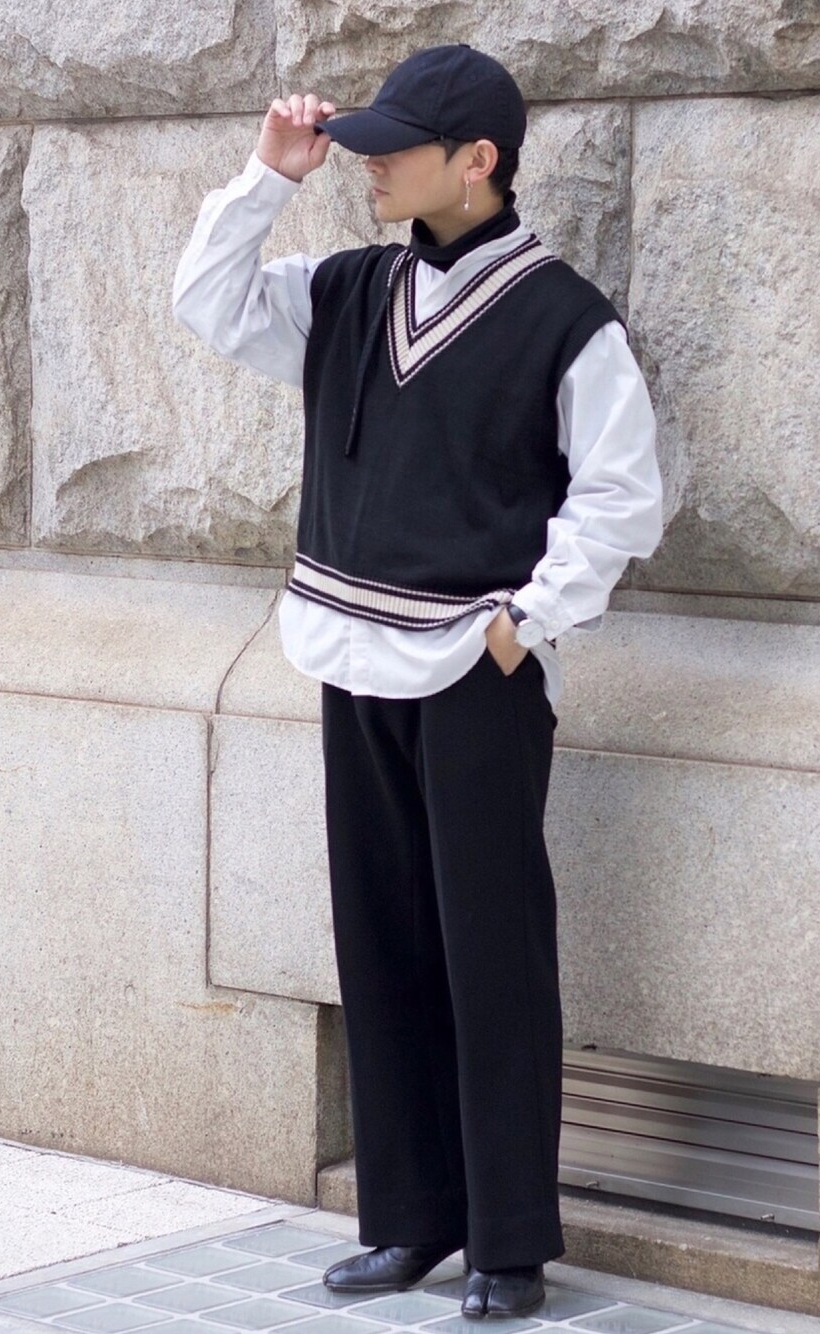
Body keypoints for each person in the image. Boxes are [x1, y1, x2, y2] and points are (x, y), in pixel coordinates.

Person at [172, 42, 663, 1321]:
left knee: (492, 952)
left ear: (478, 160)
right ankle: (410, 1217)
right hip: (349, 657)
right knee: (381, 940)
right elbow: (207, 302)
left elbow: (620, 495)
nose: (370, 166)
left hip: (473, 673)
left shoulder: (564, 317)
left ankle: (509, 1241)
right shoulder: (347, 287)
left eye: (395, 149)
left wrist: (524, 623)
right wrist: (268, 177)